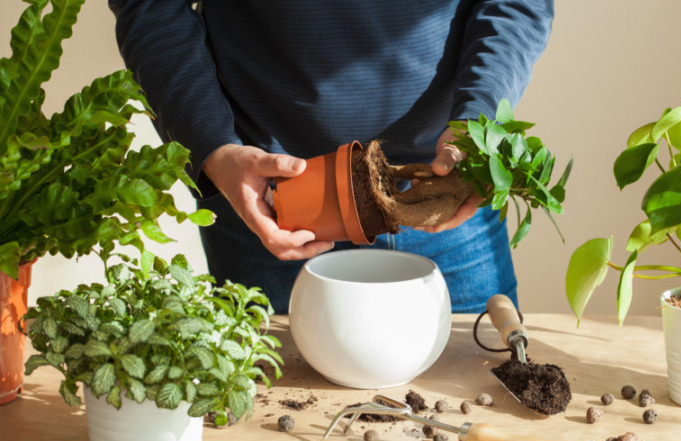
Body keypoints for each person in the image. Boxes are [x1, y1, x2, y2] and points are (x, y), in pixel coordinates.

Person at [108, 0, 554, 314]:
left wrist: (478, 123)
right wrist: (214, 149)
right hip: (269, 202)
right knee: (271, 430)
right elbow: (151, 7)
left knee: (478, 391)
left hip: (442, 199)